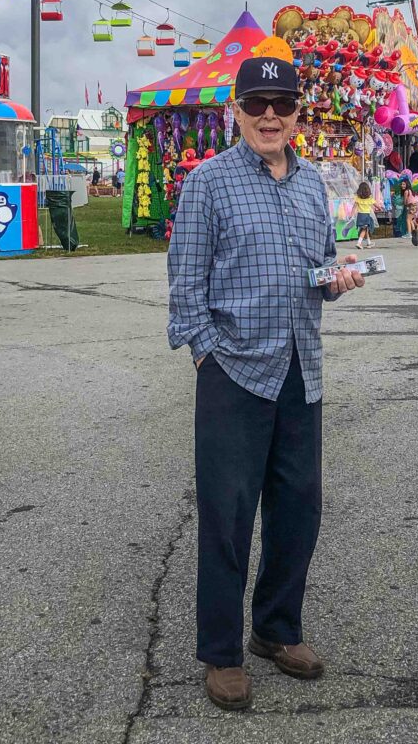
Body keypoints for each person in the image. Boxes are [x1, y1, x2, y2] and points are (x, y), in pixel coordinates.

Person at [167, 54, 365, 712]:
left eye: (282, 103)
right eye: (257, 104)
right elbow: (185, 284)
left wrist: (335, 281)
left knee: (299, 510)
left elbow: (318, 268)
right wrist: (207, 353)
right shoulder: (209, 183)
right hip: (233, 371)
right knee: (226, 516)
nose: (270, 115)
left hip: (301, 369)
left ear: (298, 112)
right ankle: (221, 653)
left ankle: (276, 631)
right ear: (237, 111)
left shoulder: (313, 184)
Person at [353, 181, 377, 249]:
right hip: (366, 216)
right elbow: (376, 205)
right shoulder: (370, 199)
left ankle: (369, 242)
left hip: (360, 216)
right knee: (364, 230)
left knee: (366, 229)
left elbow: (354, 207)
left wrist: (351, 214)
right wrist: (381, 208)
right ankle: (359, 243)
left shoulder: (357, 199)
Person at [399, 176, 418, 246]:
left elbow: (405, 201)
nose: (402, 185)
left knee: (408, 219)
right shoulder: (411, 190)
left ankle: (409, 233)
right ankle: (414, 232)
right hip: (415, 205)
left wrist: (404, 204)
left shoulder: (406, 192)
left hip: (411, 206)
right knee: (411, 220)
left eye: (404, 184)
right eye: (401, 184)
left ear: (407, 184)